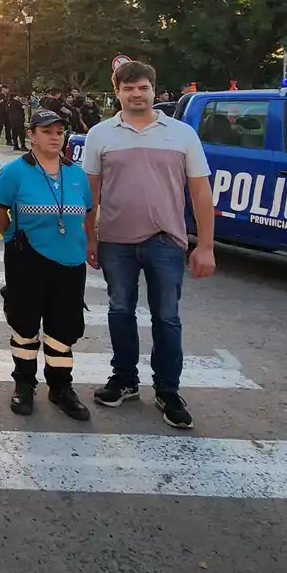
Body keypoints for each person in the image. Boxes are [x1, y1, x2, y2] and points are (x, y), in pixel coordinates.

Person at [83, 60, 216, 430]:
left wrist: (204, 245)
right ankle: (124, 379)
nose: (136, 94)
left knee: (167, 318)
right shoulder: (100, 134)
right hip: (115, 241)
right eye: (128, 89)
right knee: (120, 311)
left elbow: (200, 192)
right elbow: (89, 192)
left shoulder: (182, 134)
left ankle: (168, 390)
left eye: (142, 88)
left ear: (154, 91)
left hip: (166, 241)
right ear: (117, 93)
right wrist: (89, 237)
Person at [0, 109, 96, 420]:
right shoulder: (14, 172)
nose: (54, 136)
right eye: (47, 131)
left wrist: (90, 242)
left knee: (64, 326)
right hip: (28, 259)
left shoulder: (76, 174)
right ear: (32, 135)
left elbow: (88, 212)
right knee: (24, 324)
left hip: (70, 260)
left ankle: (61, 386)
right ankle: (24, 384)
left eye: (59, 131)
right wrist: (12, 236)